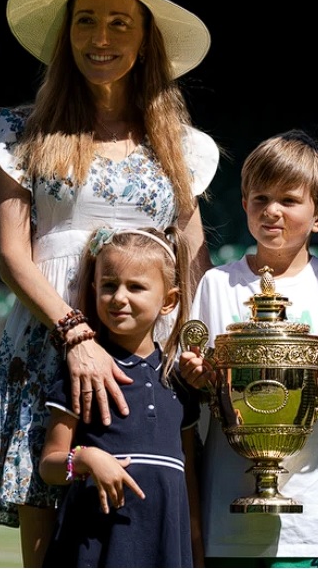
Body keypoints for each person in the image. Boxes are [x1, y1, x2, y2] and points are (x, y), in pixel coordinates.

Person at [0, 0, 219, 566]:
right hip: (52, 344)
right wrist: (75, 333)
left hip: (145, 359)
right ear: (65, 33)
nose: (100, 37)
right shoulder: (20, 134)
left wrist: (195, 344)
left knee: (149, 527)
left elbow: (195, 256)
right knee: (53, 541)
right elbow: (13, 256)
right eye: (86, 20)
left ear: (146, 40)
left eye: (120, 22)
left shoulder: (180, 148)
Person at [180, 129, 318, 567]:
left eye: (289, 200)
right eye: (260, 198)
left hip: (311, 512)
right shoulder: (217, 283)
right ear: (244, 203)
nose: (272, 211)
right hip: (227, 505)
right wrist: (199, 377)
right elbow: (210, 393)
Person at [39, 226, 204, 567]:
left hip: (164, 546)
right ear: (94, 288)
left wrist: (196, 553)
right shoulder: (82, 370)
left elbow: (188, 480)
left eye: (137, 287)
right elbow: (50, 465)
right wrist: (85, 459)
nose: (119, 298)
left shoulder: (180, 379)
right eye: (109, 285)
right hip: (96, 542)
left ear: (168, 300)